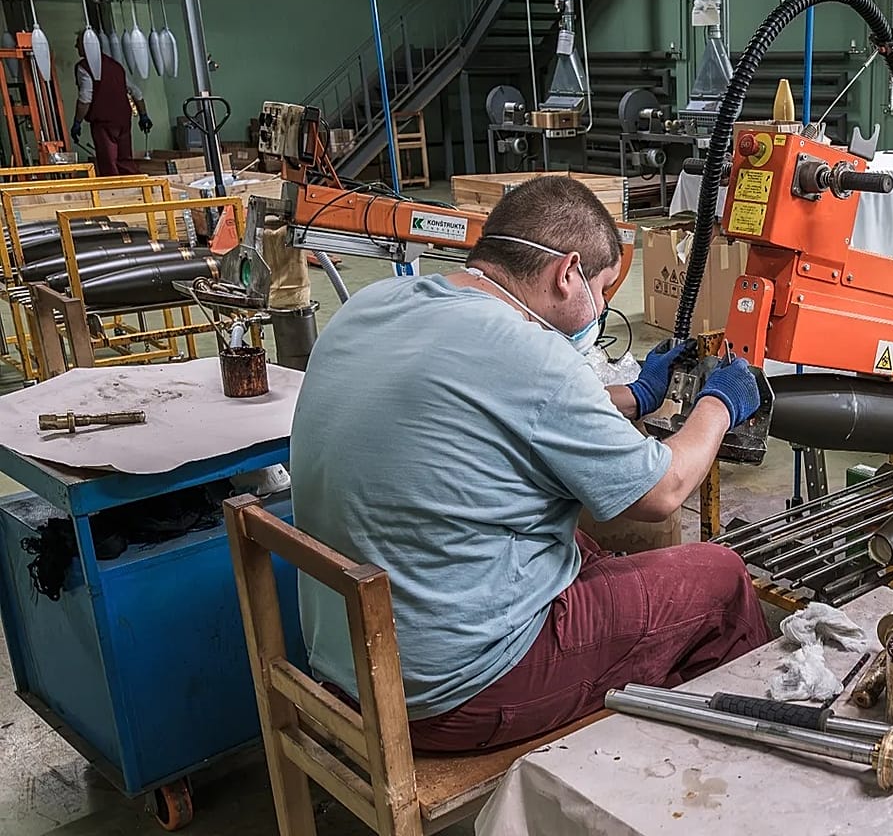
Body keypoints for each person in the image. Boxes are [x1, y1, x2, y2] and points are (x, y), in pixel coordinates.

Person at [290, 176, 770, 753]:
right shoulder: (530, 354)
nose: (600, 308)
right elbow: (664, 489)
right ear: (567, 273)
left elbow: (492, 404)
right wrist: (721, 404)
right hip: (449, 695)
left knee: (591, 554)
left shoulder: (376, 305)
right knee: (720, 579)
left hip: (350, 661)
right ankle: (732, 770)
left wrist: (638, 396)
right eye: (601, 289)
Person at [72, 33, 152, 176]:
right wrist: (143, 115)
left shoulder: (84, 68)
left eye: (78, 43)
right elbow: (136, 92)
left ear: (86, 46)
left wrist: (77, 122)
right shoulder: (115, 66)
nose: (76, 46)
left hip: (103, 122)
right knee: (125, 158)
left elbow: (85, 99)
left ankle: (115, 191)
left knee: (108, 161)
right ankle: (134, 187)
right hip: (123, 120)